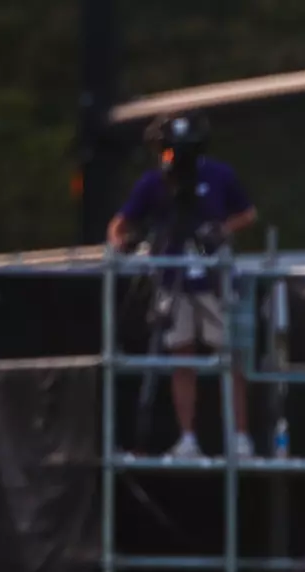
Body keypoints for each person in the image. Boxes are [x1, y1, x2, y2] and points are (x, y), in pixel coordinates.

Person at [107, 111, 258, 459]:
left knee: (230, 356)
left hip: (214, 280)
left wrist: (220, 230)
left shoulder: (219, 175)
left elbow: (248, 213)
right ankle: (187, 437)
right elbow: (120, 224)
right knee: (182, 356)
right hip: (172, 281)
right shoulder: (152, 183)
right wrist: (124, 244)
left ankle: (240, 436)